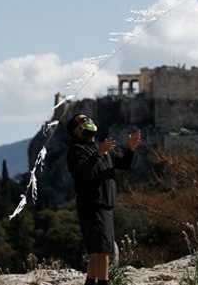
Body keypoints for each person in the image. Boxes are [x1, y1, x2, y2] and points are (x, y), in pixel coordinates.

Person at [66, 114, 141, 285]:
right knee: (104, 251)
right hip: (92, 205)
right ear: (76, 131)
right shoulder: (77, 150)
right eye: (82, 121)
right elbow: (80, 173)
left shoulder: (102, 147)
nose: (88, 122)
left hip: (104, 206)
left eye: (87, 119)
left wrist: (131, 148)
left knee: (97, 252)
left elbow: (123, 164)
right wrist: (98, 154)